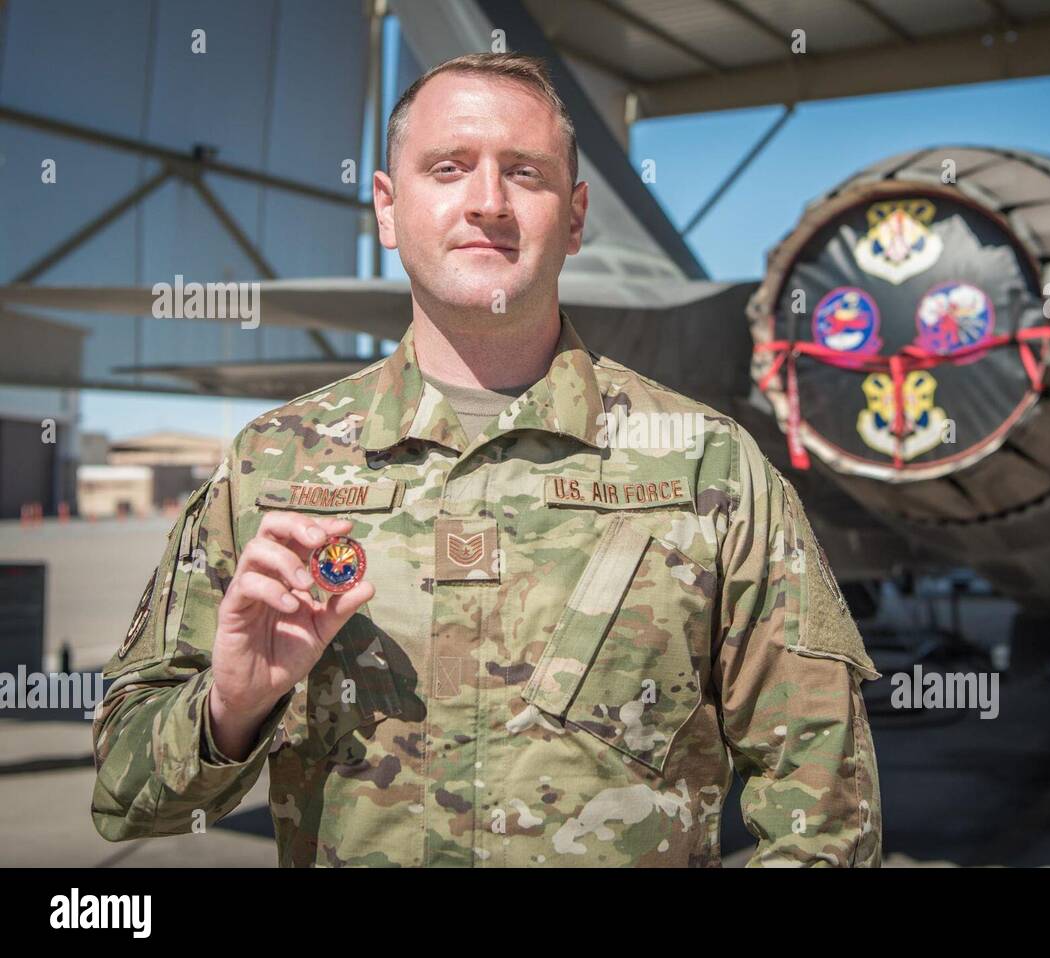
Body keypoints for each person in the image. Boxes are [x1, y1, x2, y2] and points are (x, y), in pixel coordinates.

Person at [91, 52, 883, 867]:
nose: (487, 203)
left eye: (525, 173)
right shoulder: (272, 468)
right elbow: (123, 794)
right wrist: (231, 706)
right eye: (448, 168)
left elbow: (826, 818)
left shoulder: (712, 470)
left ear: (574, 218)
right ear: (388, 209)